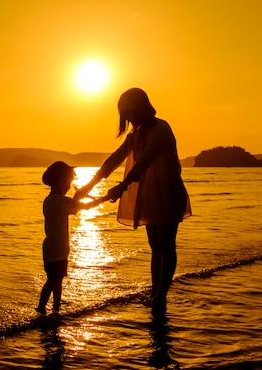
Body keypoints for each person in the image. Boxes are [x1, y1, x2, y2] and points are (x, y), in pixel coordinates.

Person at [74, 87, 191, 311]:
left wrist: (122, 187)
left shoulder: (161, 128)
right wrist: (89, 185)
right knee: (154, 245)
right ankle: (156, 291)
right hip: (149, 193)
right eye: (123, 114)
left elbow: (144, 162)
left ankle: (160, 295)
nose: (126, 117)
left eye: (128, 111)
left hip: (167, 191)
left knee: (166, 244)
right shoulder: (135, 133)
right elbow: (115, 159)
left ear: (140, 107)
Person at [37, 161, 111, 315]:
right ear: (60, 181)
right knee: (53, 281)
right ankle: (41, 308)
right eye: (68, 182)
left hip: (56, 248)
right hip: (56, 249)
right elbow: (82, 206)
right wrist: (104, 198)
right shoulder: (57, 201)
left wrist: (78, 196)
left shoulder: (51, 200)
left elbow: (74, 204)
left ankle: (55, 309)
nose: (69, 186)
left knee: (57, 281)